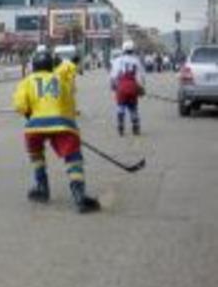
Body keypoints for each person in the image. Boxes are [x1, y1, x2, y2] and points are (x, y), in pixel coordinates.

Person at [12, 50, 100, 214]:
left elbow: (20, 105)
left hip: (35, 124)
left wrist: (30, 115)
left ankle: (42, 187)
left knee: (36, 154)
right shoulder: (60, 80)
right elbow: (70, 107)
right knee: (73, 157)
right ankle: (79, 195)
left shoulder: (26, 81)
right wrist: (72, 130)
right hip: (62, 122)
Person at [110, 40, 146, 137]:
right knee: (133, 107)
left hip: (121, 86)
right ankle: (136, 127)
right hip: (132, 86)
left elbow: (113, 76)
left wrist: (113, 87)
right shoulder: (136, 61)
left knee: (120, 106)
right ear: (132, 49)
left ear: (123, 49)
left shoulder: (118, 60)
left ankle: (121, 126)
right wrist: (142, 88)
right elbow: (141, 76)